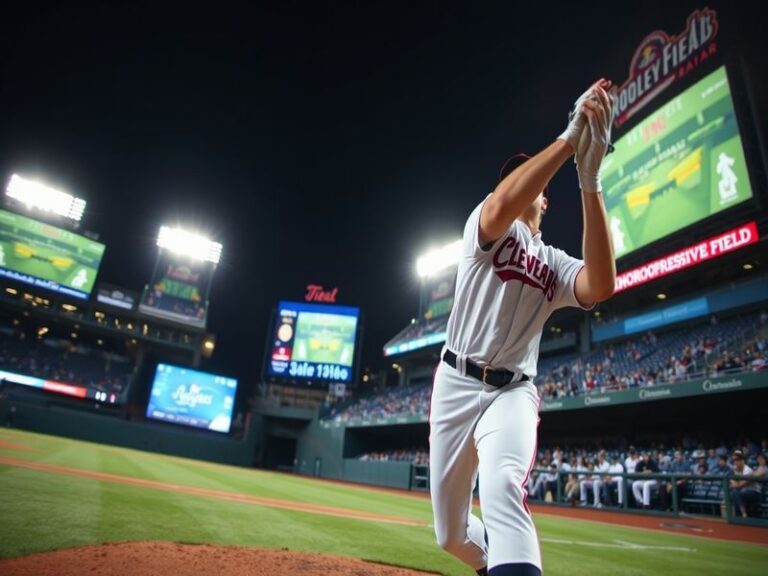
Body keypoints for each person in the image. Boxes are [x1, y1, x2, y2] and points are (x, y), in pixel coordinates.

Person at [429, 79, 616, 576]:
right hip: (454, 382)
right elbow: (499, 205)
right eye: (515, 180)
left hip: (512, 392)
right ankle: (494, 562)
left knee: (501, 486)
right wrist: (569, 136)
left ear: (546, 200)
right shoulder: (485, 224)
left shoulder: (553, 264)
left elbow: (600, 284)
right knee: (449, 534)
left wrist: (589, 181)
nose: (522, 186)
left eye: (531, 182)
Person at [729, 450, 764, 518]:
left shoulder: (747, 470)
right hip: (744, 493)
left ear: (742, 461)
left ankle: (743, 515)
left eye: (738, 460)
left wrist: (735, 484)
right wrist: (735, 483)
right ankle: (737, 516)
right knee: (734, 493)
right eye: (735, 461)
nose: (736, 462)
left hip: (754, 493)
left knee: (735, 493)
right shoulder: (735, 469)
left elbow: (740, 485)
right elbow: (730, 479)